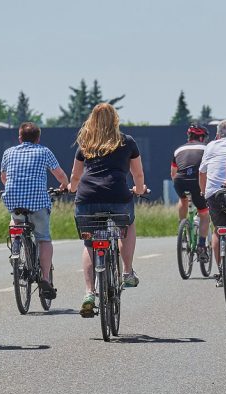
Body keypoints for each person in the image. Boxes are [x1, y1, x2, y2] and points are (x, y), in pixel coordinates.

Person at [68, 103, 147, 317]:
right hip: (117, 195)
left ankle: (89, 293)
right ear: (115, 120)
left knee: (90, 243)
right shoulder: (127, 141)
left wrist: (71, 188)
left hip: (87, 198)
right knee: (127, 225)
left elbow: (75, 177)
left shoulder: (85, 143)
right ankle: (127, 272)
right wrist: (139, 190)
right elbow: (138, 175)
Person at [0, 122, 69, 299]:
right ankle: (45, 278)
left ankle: (15, 245)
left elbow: (3, 177)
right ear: (38, 138)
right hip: (38, 202)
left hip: (14, 201)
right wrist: (63, 186)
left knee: (15, 220)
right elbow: (60, 174)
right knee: (43, 239)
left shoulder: (8, 152)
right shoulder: (44, 151)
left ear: (19, 137)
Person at [199, 120, 226, 288]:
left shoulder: (210, 146)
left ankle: (222, 271)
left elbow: (202, 172)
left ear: (217, 135)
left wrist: (203, 192)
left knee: (218, 231)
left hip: (213, 194)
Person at [172, 124, 211, 262]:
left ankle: (182, 228)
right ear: (201, 137)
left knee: (182, 199)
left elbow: (173, 173)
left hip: (179, 180)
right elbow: (208, 170)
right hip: (196, 180)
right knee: (204, 214)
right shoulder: (206, 148)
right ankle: (201, 246)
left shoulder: (178, 150)